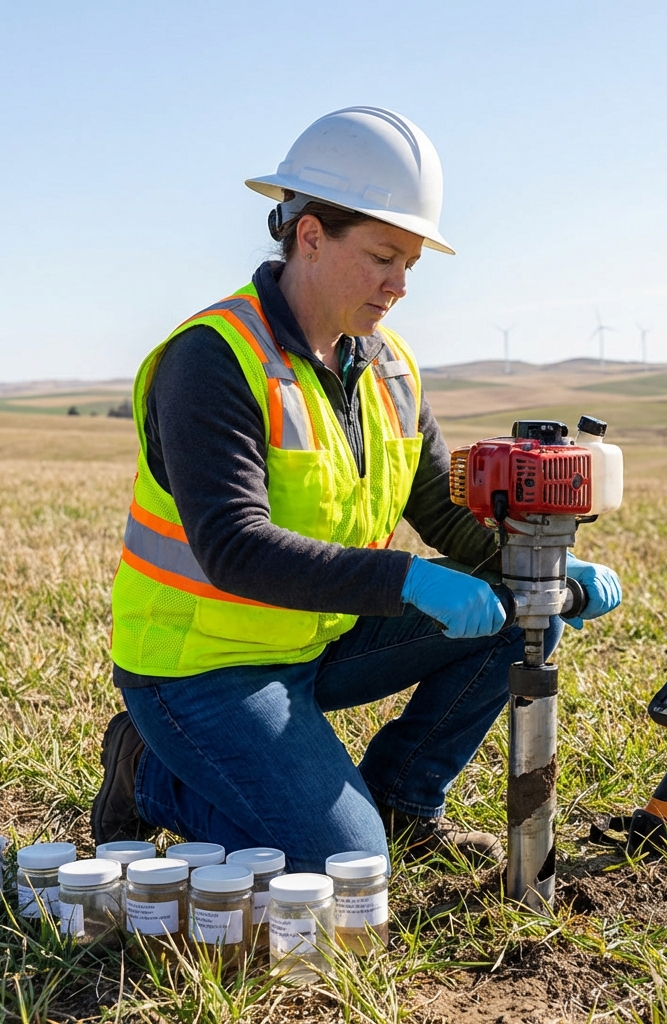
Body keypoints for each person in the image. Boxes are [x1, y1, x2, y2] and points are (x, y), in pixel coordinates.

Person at [90, 106, 621, 871]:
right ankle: (146, 774)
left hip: (319, 639)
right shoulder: (213, 359)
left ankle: (403, 802)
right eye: (381, 256)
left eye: (411, 262)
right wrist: (405, 580)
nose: (400, 285)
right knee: (339, 864)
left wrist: (540, 566)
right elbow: (234, 546)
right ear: (310, 236)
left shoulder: (388, 366)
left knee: (518, 611)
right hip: (202, 671)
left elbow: (440, 504)